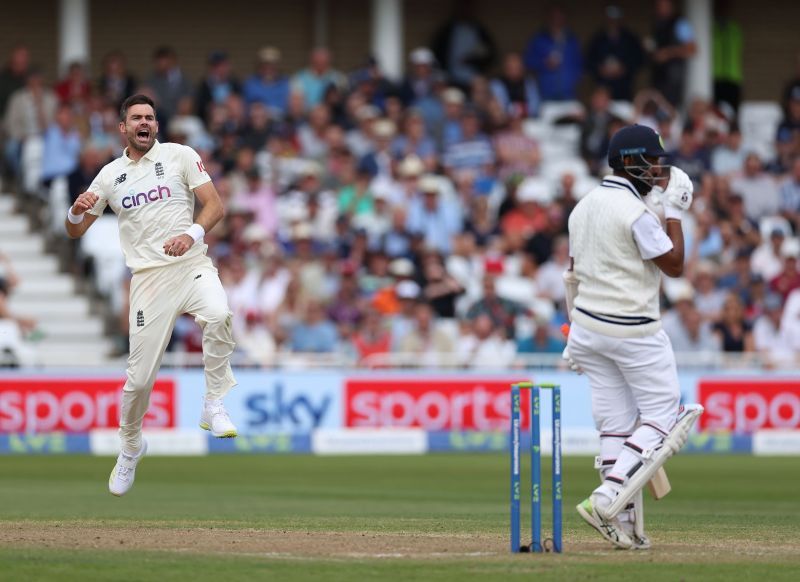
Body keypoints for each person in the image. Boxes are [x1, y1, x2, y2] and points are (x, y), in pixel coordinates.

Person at [65, 94, 238, 497]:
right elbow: (76, 231)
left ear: (156, 125)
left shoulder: (180, 156)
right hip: (147, 280)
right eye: (136, 118)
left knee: (218, 314)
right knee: (139, 381)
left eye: (151, 117)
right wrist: (76, 211)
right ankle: (129, 447)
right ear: (123, 127)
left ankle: (213, 403)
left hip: (191, 263)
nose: (145, 122)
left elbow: (215, 206)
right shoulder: (109, 176)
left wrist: (191, 234)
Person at [564, 124, 704, 550]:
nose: (659, 170)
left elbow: (571, 274)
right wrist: (676, 211)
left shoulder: (582, 206)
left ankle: (621, 521)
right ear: (628, 162)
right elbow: (675, 265)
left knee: (616, 426)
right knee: (664, 418)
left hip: (588, 327)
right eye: (652, 161)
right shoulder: (635, 213)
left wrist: (572, 331)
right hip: (632, 330)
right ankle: (607, 497)